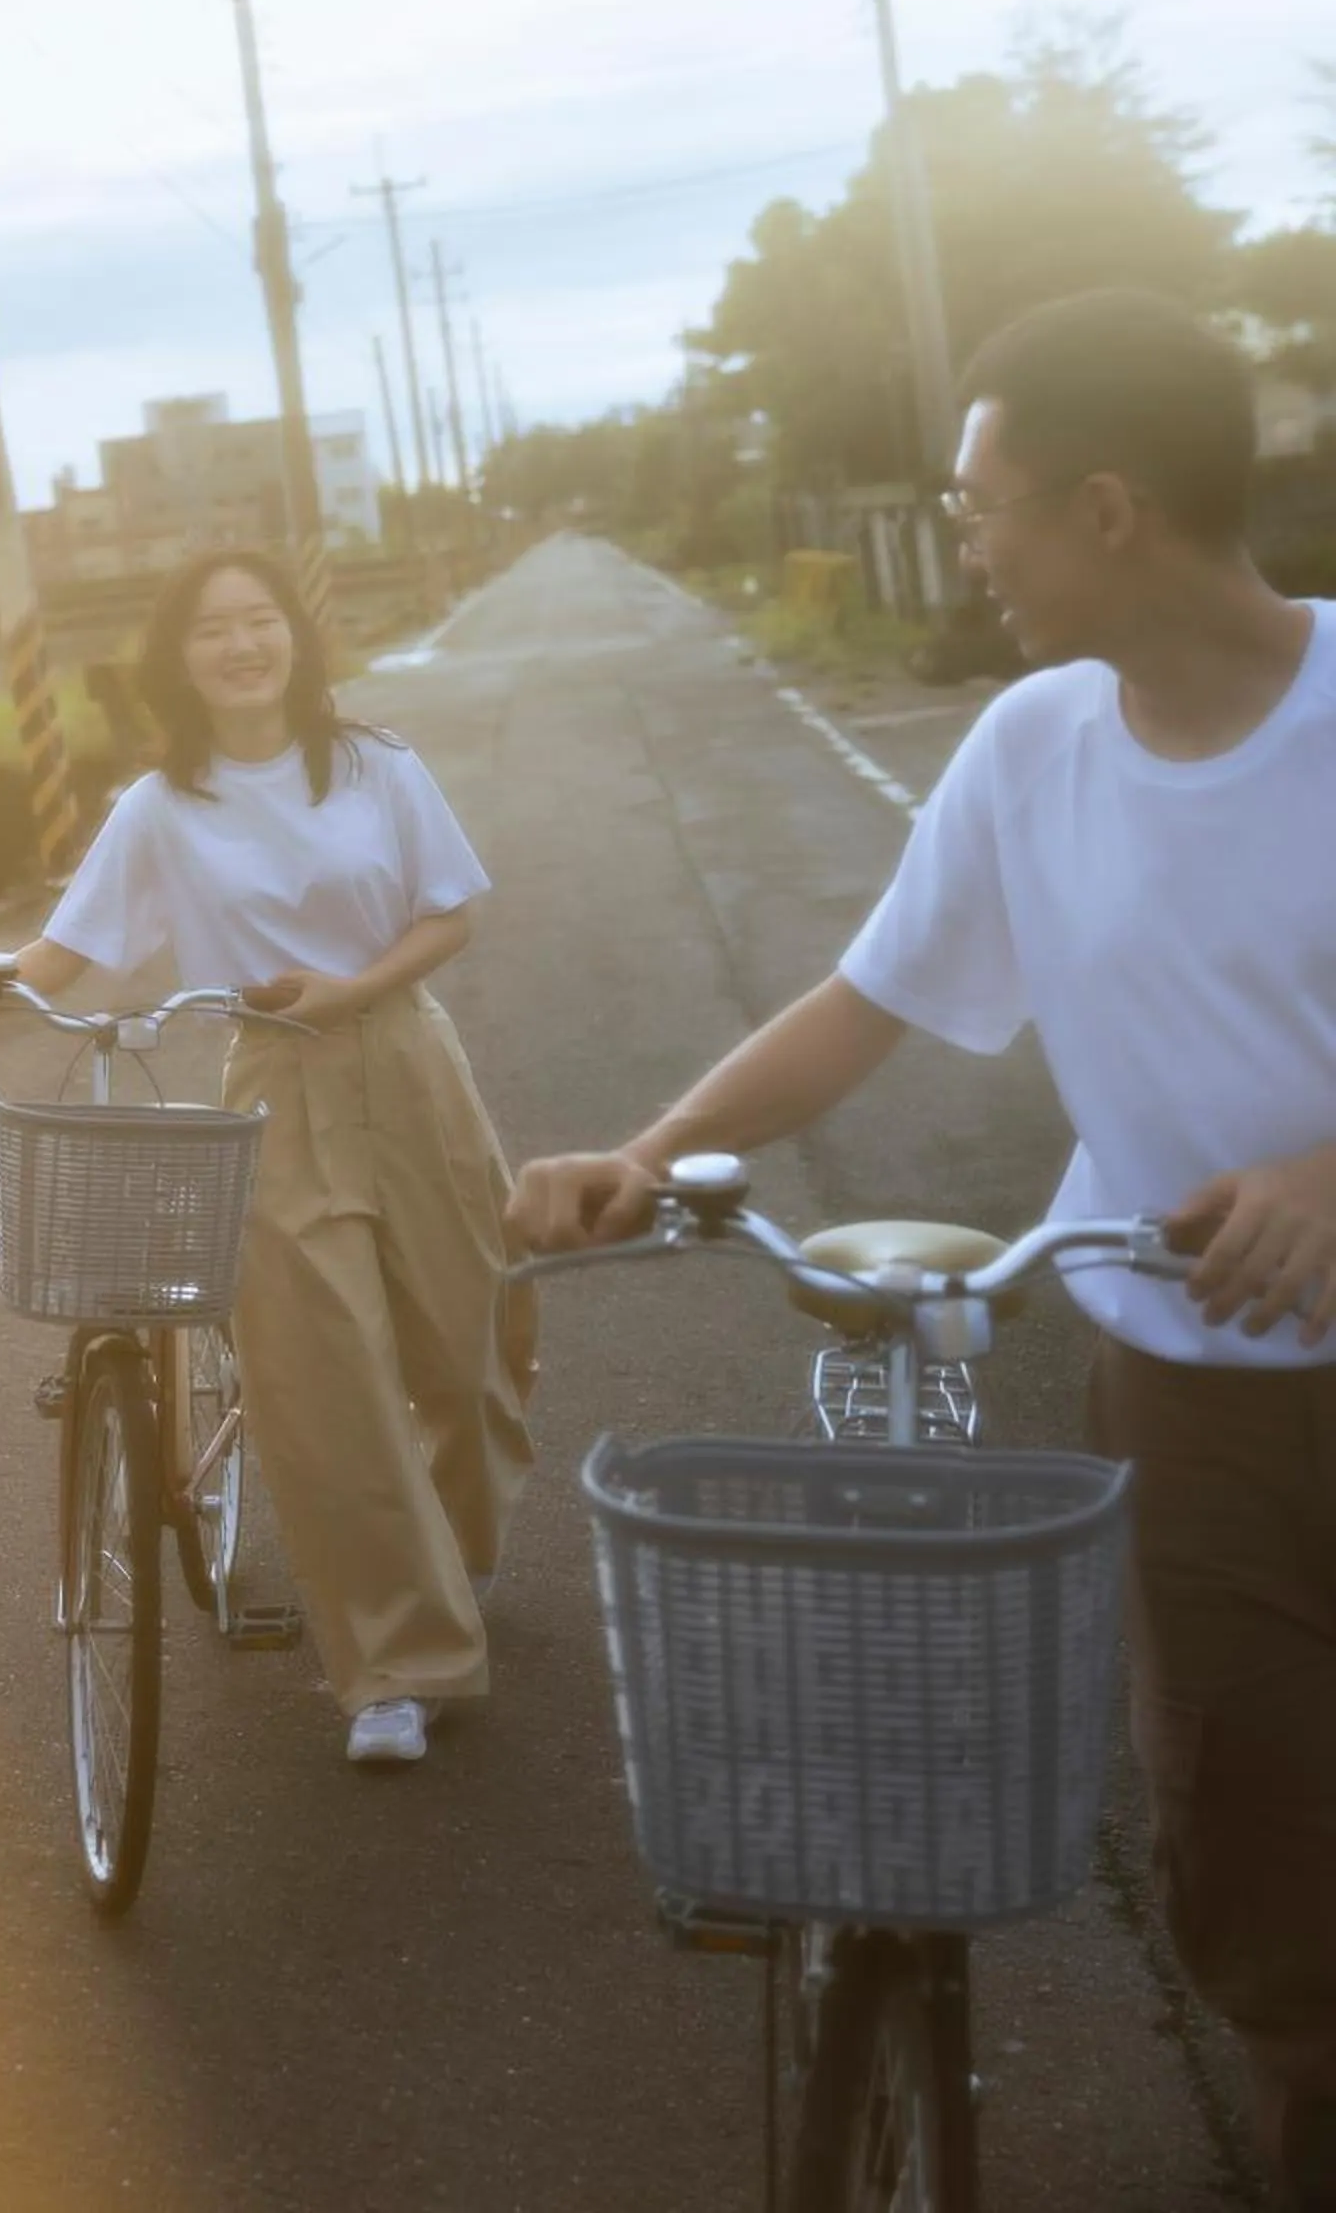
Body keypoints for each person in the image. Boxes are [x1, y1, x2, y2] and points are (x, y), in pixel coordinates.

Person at [508, 289, 1336, 2211]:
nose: (965, 536)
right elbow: (866, 1000)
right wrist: (647, 1156)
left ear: (1109, 509)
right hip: (1189, 1403)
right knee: (1268, 1894)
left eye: (985, 503)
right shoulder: (1034, 745)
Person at [0, 547, 534, 1769]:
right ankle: (395, 1664)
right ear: (176, 662)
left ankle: (454, 1553)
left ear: (294, 635)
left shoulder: (375, 763)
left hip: (405, 1058)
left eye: (259, 621)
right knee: (322, 1379)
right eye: (212, 631)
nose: (241, 645)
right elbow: (62, 958)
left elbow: (451, 911)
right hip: (272, 1083)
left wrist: (352, 989)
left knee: (478, 1342)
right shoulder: (157, 808)